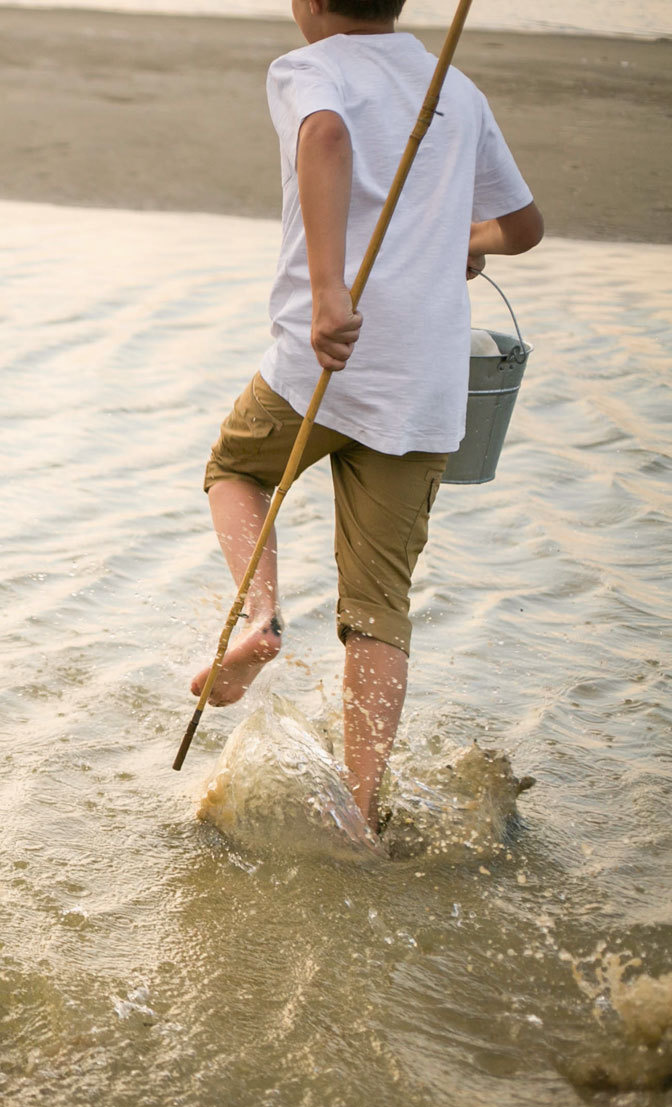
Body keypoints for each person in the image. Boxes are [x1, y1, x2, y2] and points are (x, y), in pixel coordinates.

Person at [191, 0, 543, 833]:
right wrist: (464, 237)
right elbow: (525, 226)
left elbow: (325, 139)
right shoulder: (453, 85)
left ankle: (261, 616)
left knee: (236, 469)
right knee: (380, 606)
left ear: (308, 3)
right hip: (421, 379)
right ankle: (359, 807)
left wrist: (327, 294)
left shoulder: (311, 69)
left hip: (327, 363)